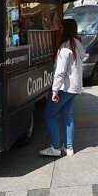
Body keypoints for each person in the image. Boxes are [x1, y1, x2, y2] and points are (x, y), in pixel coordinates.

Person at [40, 18, 84, 157]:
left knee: (49, 115)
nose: (57, 29)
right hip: (74, 88)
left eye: (59, 26)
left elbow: (60, 72)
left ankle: (56, 147)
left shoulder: (64, 48)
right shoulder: (77, 44)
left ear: (64, 29)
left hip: (64, 88)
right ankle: (69, 147)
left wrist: (54, 91)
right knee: (67, 116)